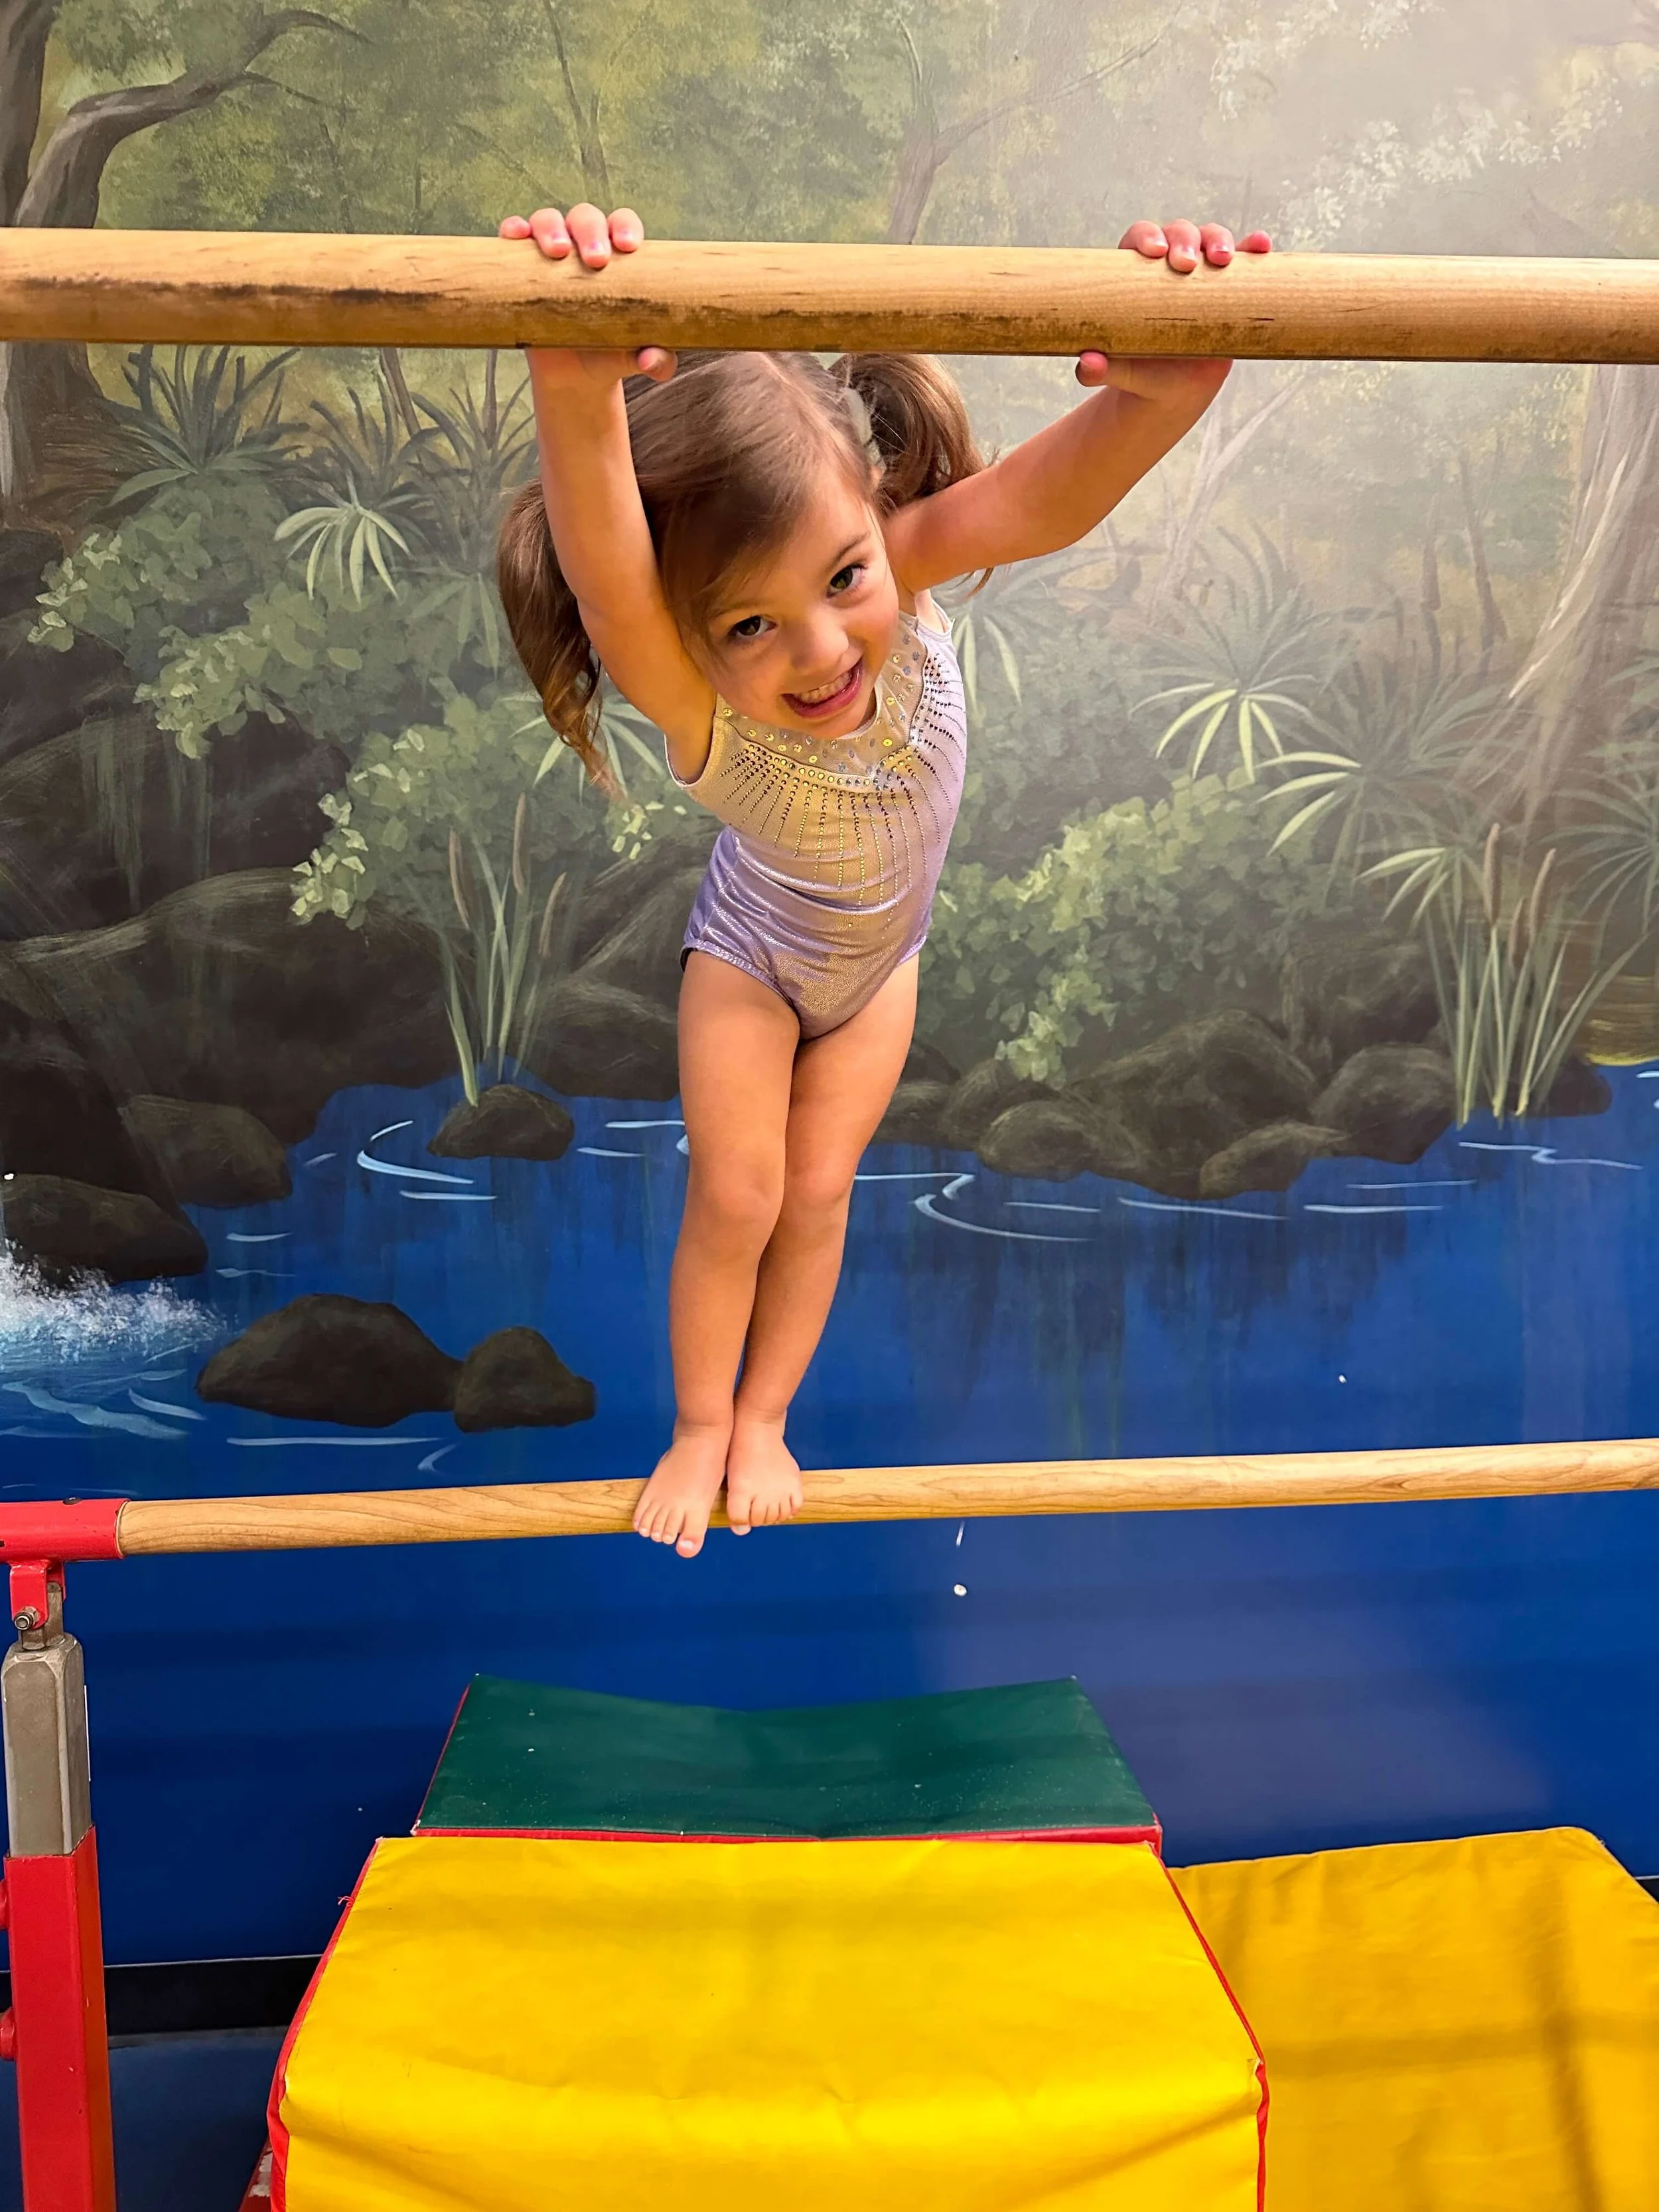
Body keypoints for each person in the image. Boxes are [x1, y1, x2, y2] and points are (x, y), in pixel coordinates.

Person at [497, 202, 1271, 1557]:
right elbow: (615, 587)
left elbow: (1044, 496)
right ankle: (694, 1420)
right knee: (737, 1192)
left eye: (839, 577)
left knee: (815, 1192)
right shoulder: (697, 705)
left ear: (874, 518)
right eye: (748, 622)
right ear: (691, 640)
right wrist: (574, 389)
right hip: (752, 954)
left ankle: (765, 1417)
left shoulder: (898, 578)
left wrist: (1165, 398)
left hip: (876, 971)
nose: (819, 646)